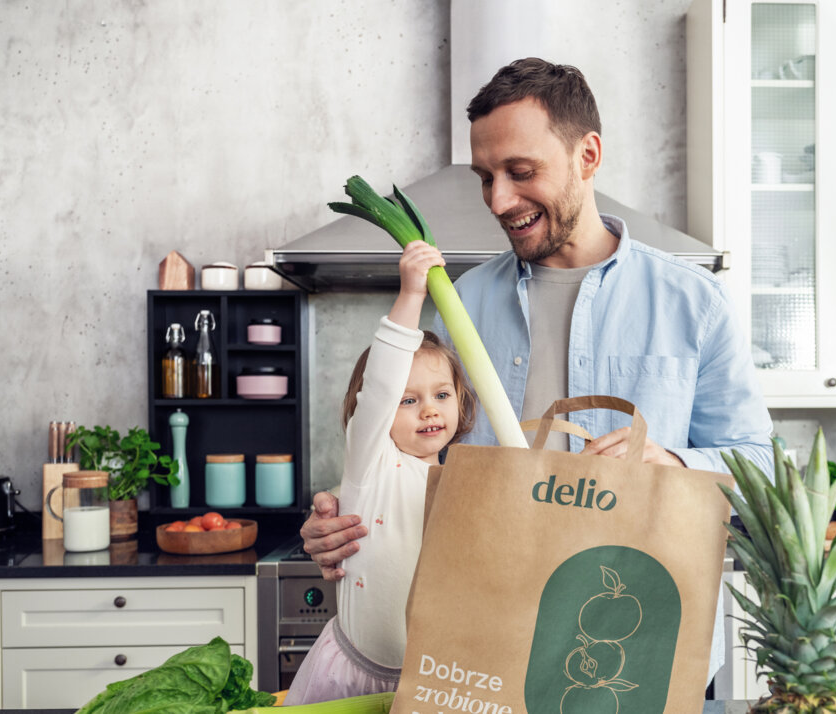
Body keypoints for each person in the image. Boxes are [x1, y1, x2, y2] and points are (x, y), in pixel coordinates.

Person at [301, 57, 774, 683]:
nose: (499, 199)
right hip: (484, 645)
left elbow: (763, 468)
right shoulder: (460, 304)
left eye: (521, 172)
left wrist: (675, 466)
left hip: (639, 643)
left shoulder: (694, 302)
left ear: (588, 154)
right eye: (486, 177)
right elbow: (417, 463)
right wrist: (347, 514)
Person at [286, 241, 475, 704]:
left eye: (441, 395)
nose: (429, 410)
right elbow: (381, 384)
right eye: (408, 400)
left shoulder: (466, 485)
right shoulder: (373, 464)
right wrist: (411, 294)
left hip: (428, 683)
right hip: (352, 676)